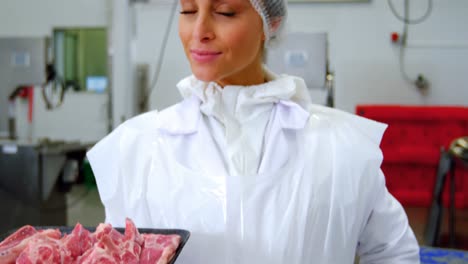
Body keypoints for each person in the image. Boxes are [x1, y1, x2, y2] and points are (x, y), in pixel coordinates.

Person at [87, 0, 420, 263]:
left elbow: (393, 252)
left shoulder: (338, 148)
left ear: (269, 23)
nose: (199, 30)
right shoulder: (139, 148)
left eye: (224, 12)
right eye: (188, 10)